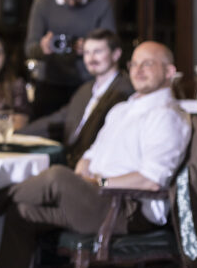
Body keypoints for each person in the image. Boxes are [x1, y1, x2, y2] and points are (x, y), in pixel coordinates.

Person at [0, 41, 190, 268]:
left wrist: (99, 182)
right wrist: (83, 178)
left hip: (127, 210)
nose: (138, 70)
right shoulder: (123, 109)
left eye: (148, 64)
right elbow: (89, 156)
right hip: (94, 201)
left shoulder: (166, 116)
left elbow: (152, 180)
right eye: (134, 64)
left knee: (56, 175)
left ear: (169, 71)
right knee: (22, 213)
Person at [20, 28, 132, 167]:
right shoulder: (85, 90)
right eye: (86, 52)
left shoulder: (125, 91)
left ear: (116, 54)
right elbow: (56, 119)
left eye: (98, 51)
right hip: (69, 162)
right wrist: (17, 134)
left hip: (99, 171)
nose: (91, 58)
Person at [24, 0, 115, 120]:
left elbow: (111, 45)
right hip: (50, 81)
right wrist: (43, 48)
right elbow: (29, 48)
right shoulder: (43, 2)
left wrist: (87, 48)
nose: (72, 3)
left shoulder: (101, 2)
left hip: (88, 82)